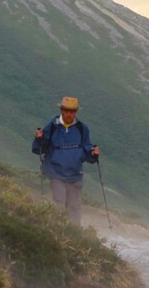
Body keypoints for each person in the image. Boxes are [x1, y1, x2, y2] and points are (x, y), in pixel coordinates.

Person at [32, 96, 100, 225]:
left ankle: (74, 235)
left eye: (72, 111)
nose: (69, 114)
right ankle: (57, 230)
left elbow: (87, 150)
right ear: (61, 110)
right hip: (56, 173)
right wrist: (38, 139)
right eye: (66, 110)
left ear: (76, 112)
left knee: (75, 207)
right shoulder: (52, 127)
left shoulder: (82, 129)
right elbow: (39, 149)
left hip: (75, 175)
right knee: (59, 202)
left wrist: (94, 153)